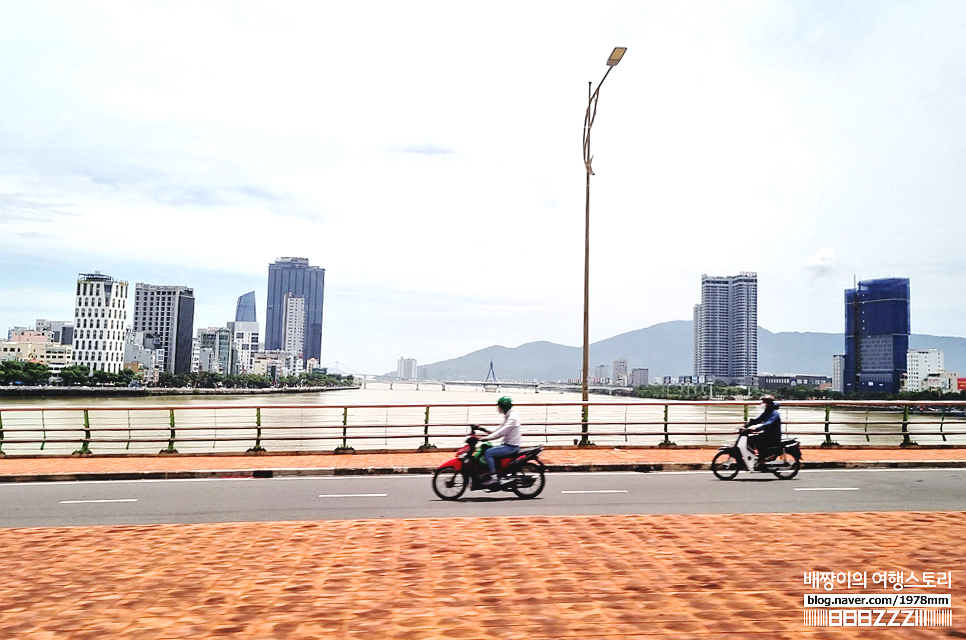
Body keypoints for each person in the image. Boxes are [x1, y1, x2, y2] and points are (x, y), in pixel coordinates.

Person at [479, 396, 522, 485]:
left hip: (511, 447)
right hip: (508, 445)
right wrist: (484, 430)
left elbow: (501, 432)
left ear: (503, 406)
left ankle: (494, 477)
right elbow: (499, 430)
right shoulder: (509, 416)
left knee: (488, 452)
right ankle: (496, 471)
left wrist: (487, 438)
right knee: (489, 448)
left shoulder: (512, 419)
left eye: (499, 406)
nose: (498, 408)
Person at [745, 395, 782, 469]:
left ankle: (762, 461)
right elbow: (758, 420)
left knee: (760, 442)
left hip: (773, 435)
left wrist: (756, 429)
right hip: (767, 434)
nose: (763, 404)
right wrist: (747, 425)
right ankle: (756, 458)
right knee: (750, 439)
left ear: (769, 403)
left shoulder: (774, 413)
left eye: (764, 402)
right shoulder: (767, 412)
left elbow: (768, 424)